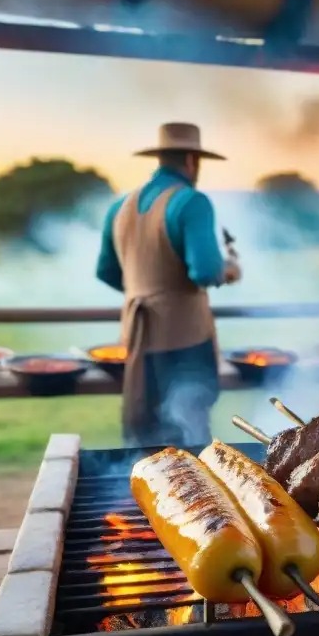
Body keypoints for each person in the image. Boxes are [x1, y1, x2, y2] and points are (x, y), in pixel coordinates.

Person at [95, 122, 241, 447]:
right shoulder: (192, 202)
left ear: (160, 158)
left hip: (135, 340)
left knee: (146, 442)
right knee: (189, 441)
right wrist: (229, 270)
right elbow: (205, 272)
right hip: (185, 342)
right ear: (192, 159)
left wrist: (146, 292)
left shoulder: (120, 206)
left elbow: (106, 272)